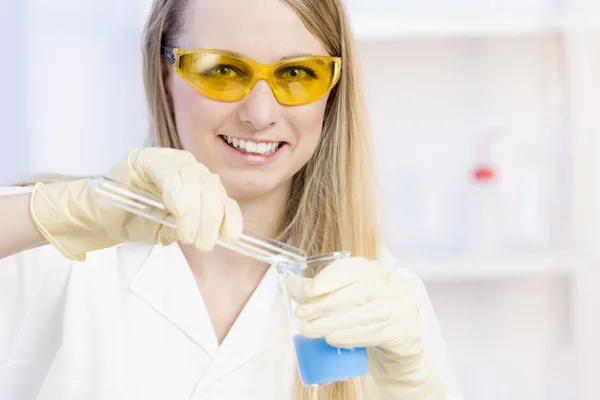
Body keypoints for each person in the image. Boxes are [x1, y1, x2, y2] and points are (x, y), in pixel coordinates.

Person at [0, 0, 463, 398]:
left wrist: (411, 383)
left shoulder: (380, 305)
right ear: (166, 74)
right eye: (222, 70)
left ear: (332, 91)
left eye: (298, 73)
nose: (260, 114)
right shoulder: (54, 249)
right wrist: (60, 214)